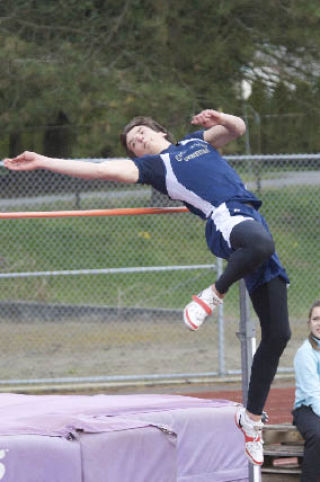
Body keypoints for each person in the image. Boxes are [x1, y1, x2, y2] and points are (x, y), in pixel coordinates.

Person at [4, 109, 291, 465]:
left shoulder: (195, 143)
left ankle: (250, 418)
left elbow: (237, 128)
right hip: (227, 219)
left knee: (278, 333)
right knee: (262, 245)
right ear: (137, 155)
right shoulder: (155, 168)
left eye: (139, 132)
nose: (137, 139)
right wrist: (42, 160)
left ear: (158, 130)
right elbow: (100, 170)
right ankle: (212, 294)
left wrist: (221, 116)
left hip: (251, 220)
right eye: (132, 143)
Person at [292, 300, 320, 481]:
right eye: (316, 319)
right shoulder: (305, 353)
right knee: (319, 435)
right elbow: (313, 395)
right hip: (307, 409)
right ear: (309, 323)